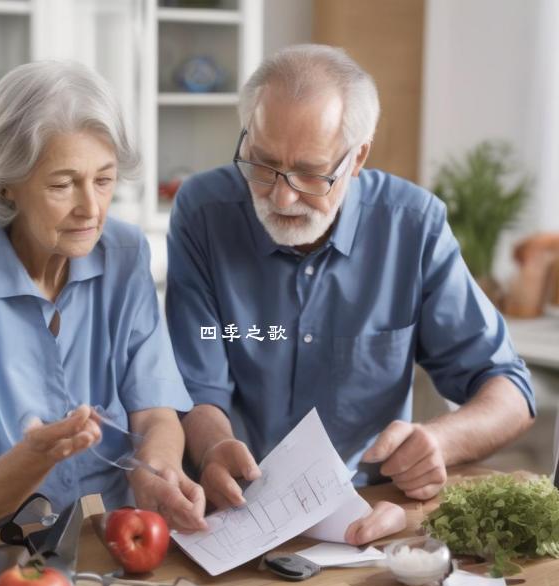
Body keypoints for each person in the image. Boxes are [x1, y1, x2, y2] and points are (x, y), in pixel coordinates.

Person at [165, 44, 535, 545]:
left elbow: (508, 388)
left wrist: (438, 442)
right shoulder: (204, 211)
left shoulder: (413, 226)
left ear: (357, 156)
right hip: (234, 510)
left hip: (369, 514)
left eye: (311, 173)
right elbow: (197, 383)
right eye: (263, 163)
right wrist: (213, 449)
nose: (281, 196)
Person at [0, 61, 207, 547]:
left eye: (104, 180)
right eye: (63, 185)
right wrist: (38, 455)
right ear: (7, 183)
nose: (91, 208)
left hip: (109, 538)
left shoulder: (125, 255)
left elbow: (156, 414)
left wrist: (157, 470)